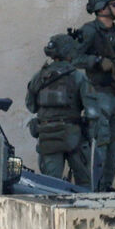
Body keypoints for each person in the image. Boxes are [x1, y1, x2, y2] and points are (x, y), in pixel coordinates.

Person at [72, 0, 115, 192]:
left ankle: (107, 184)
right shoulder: (89, 31)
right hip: (98, 93)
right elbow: (74, 57)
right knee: (100, 141)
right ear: (102, 8)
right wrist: (98, 61)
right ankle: (96, 185)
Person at [26, 33, 102, 189]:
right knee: (84, 185)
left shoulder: (38, 77)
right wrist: (90, 133)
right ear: (69, 52)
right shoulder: (77, 77)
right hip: (74, 136)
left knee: (49, 187)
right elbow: (92, 112)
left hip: (47, 137)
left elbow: (31, 106)